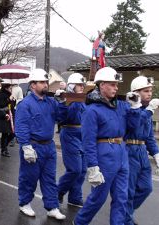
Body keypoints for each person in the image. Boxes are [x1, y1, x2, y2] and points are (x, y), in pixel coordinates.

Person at [73, 67, 138, 225]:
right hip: (104, 153)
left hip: (121, 152)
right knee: (98, 198)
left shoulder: (121, 106)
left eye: (116, 84)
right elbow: (88, 141)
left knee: (121, 197)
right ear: (101, 85)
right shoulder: (92, 110)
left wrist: (135, 108)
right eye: (112, 84)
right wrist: (93, 167)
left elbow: (133, 127)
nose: (116, 87)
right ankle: (79, 222)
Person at [15, 68, 67, 220]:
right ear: (33, 85)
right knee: (29, 177)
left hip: (49, 146)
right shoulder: (25, 104)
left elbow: (61, 118)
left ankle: (52, 207)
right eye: (42, 82)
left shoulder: (51, 102)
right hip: (33, 145)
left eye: (46, 82)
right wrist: (25, 146)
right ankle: (24, 203)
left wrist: (62, 102)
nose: (46, 85)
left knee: (50, 178)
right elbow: (22, 125)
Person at [124, 76, 159, 225]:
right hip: (129, 149)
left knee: (146, 187)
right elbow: (134, 125)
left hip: (142, 150)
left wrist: (157, 154)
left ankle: (126, 213)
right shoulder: (130, 108)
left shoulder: (146, 111)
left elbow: (149, 136)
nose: (149, 94)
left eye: (150, 90)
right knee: (129, 190)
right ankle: (126, 219)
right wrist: (150, 111)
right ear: (136, 93)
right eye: (146, 91)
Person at [57, 73, 87, 208]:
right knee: (75, 169)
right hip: (70, 133)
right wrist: (64, 101)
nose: (81, 87)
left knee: (83, 170)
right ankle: (58, 191)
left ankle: (75, 197)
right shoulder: (66, 99)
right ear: (72, 86)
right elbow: (62, 117)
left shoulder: (81, 100)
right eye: (79, 85)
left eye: (82, 85)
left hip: (83, 134)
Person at [0, 83, 16, 157]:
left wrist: (13, 101)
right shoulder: (2, 95)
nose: (11, 89)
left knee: (13, 133)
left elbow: (11, 106)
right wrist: (9, 100)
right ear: (6, 88)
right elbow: (1, 105)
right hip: (5, 117)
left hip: (11, 117)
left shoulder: (9, 95)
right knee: (5, 134)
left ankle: (4, 146)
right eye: (10, 88)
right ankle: (4, 149)